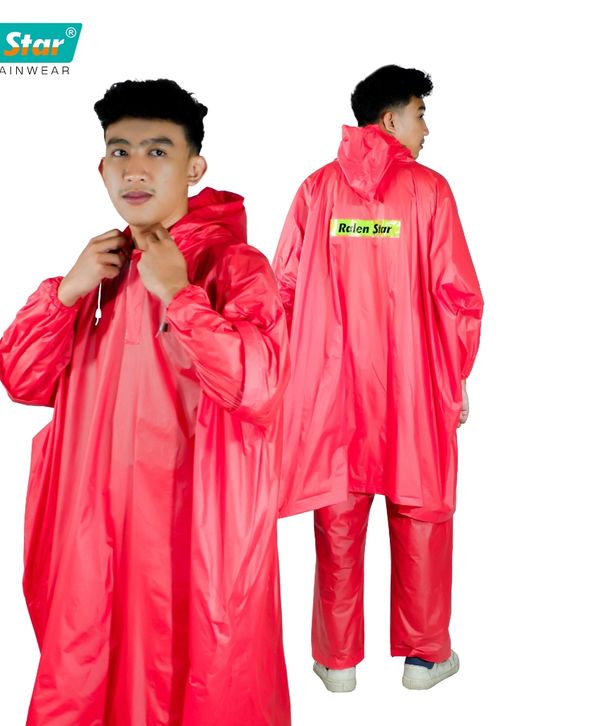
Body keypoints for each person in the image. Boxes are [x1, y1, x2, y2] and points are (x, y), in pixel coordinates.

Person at [0, 79, 291, 725]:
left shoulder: (235, 267)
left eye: (158, 151)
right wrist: (64, 294)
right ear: (101, 167)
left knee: (198, 686)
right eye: (120, 151)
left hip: (193, 543)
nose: (135, 169)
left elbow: (262, 387)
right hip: (95, 540)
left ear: (195, 167)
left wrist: (181, 296)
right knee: (88, 685)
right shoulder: (103, 271)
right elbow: (22, 379)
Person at [272, 65, 484, 692]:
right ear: (390, 120)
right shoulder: (430, 191)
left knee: (338, 515)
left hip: (331, 395)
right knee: (420, 513)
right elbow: (458, 297)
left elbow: (280, 292)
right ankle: (424, 658)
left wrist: (285, 381)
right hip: (414, 389)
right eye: (420, 115)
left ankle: (338, 662)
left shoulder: (316, 191)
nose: (427, 130)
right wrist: (455, 375)